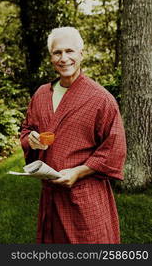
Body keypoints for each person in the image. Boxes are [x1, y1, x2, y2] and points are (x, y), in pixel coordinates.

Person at [20, 26, 127, 244]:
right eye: (57, 52)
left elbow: (114, 148)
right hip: (50, 197)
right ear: (51, 57)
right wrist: (31, 139)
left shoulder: (100, 99)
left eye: (70, 51)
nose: (64, 58)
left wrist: (78, 171)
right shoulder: (41, 95)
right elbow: (27, 129)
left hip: (85, 198)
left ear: (81, 54)